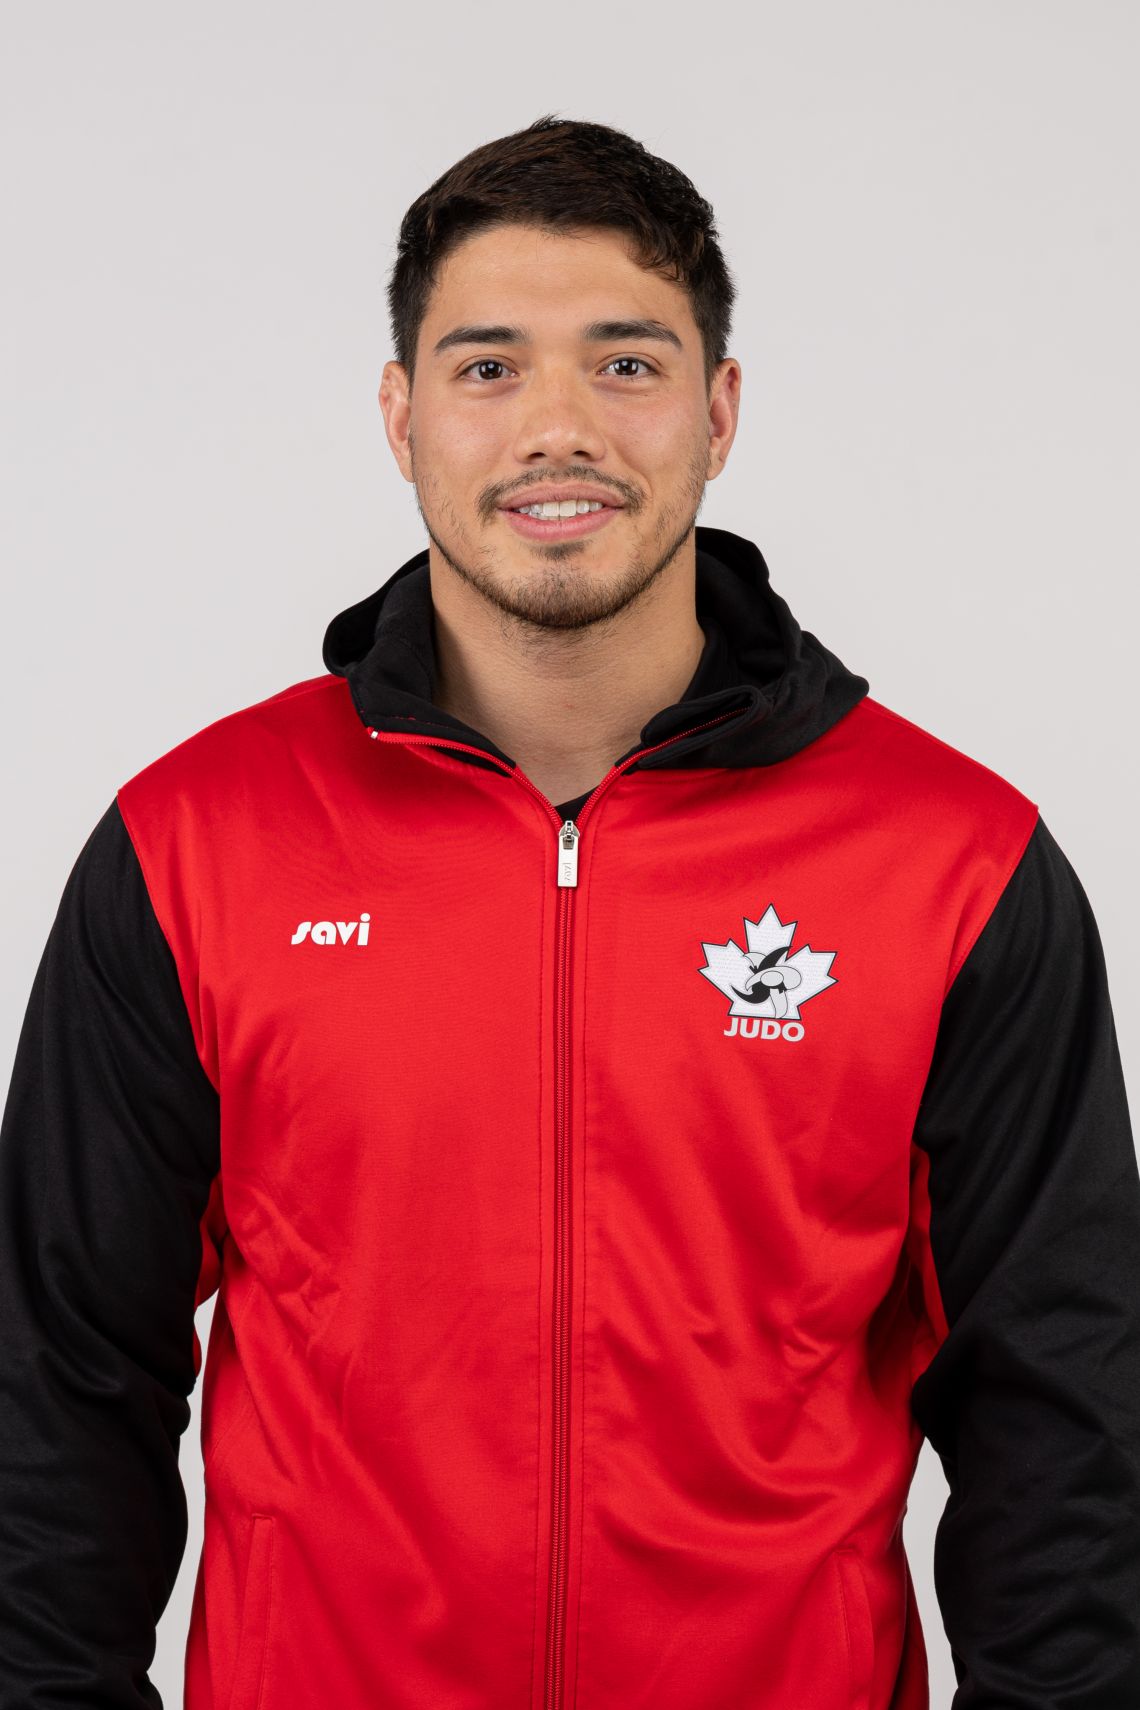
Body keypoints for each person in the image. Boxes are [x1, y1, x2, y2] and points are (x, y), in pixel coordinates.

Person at [1, 112, 1137, 1710]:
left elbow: (1067, 1413)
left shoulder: (953, 863)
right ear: (400, 414)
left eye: (625, 363)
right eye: (488, 367)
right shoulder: (195, 846)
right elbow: (56, 1378)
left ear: (718, 410)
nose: (558, 426)